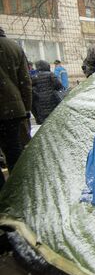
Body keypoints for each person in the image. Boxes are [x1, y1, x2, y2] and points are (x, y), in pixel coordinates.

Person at [0, 27, 32, 189]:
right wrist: (26, 108)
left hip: (11, 109)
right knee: (14, 149)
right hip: (13, 109)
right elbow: (25, 82)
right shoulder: (14, 47)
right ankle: (18, 189)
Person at [30, 60, 63, 125]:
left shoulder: (34, 77)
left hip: (41, 103)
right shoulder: (50, 74)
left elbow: (31, 88)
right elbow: (59, 85)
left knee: (45, 123)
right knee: (55, 120)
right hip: (52, 101)